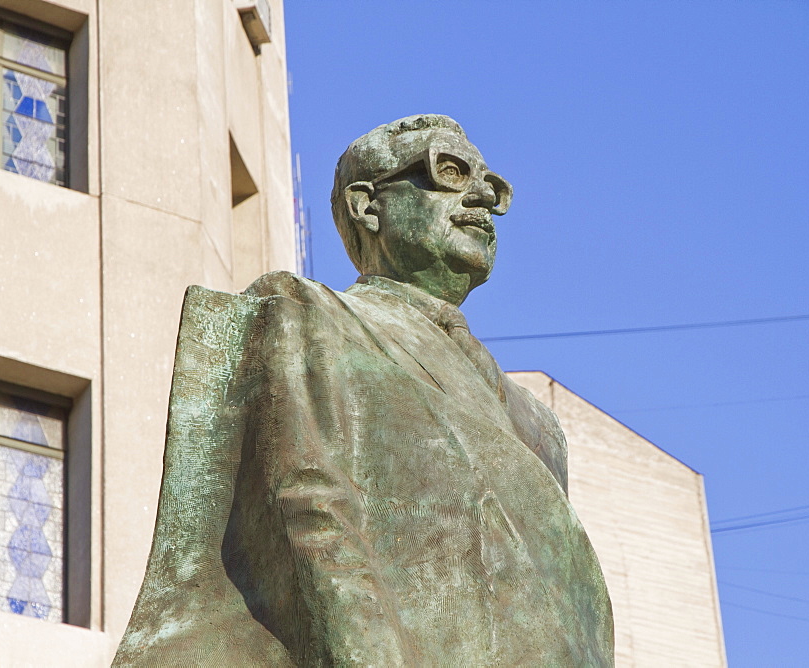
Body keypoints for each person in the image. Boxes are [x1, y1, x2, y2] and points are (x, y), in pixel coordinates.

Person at [114, 115, 613, 667]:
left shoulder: (539, 426)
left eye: (491, 189)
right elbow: (312, 506)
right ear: (366, 205)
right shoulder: (311, 314)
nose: (480, 200)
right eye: (449, 172)